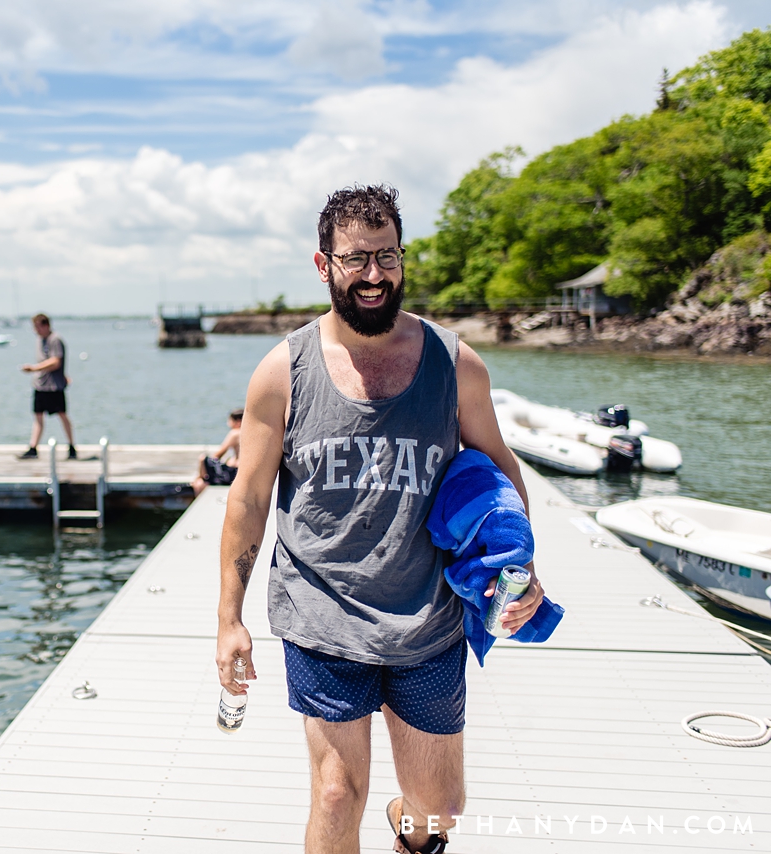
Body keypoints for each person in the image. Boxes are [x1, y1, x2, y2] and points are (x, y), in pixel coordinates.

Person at [214, 184, 544, 854]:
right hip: (321, 611)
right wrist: (229, 619)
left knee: (439, 807)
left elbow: (503, 472)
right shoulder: (283, 372)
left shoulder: (456, 365)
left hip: (428, 616)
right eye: (357, 258)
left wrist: (521, 569)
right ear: (323, 264)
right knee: (336, 793)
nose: (374, 275)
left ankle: (407, 826)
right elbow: (247, 501)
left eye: (387, 257)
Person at [19, 313, 76, 460]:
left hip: (54, 387)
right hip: (40, 385)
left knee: (62, 415)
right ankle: (33, 448)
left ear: (45, 325)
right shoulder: (39, 339)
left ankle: (71, 447)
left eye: (37, 327)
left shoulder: (55, 339)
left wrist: (34, 368)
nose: (35, 330)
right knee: (38, 416)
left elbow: (56, 361)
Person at [192, 408, 243, 495]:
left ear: (237, 421)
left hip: (233, 474)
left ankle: (200, 480)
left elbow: (217, 455)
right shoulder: (251, 433)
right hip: (241, 472)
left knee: (203, 459)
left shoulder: (235, 433)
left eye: (229, 421)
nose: (228, 424)